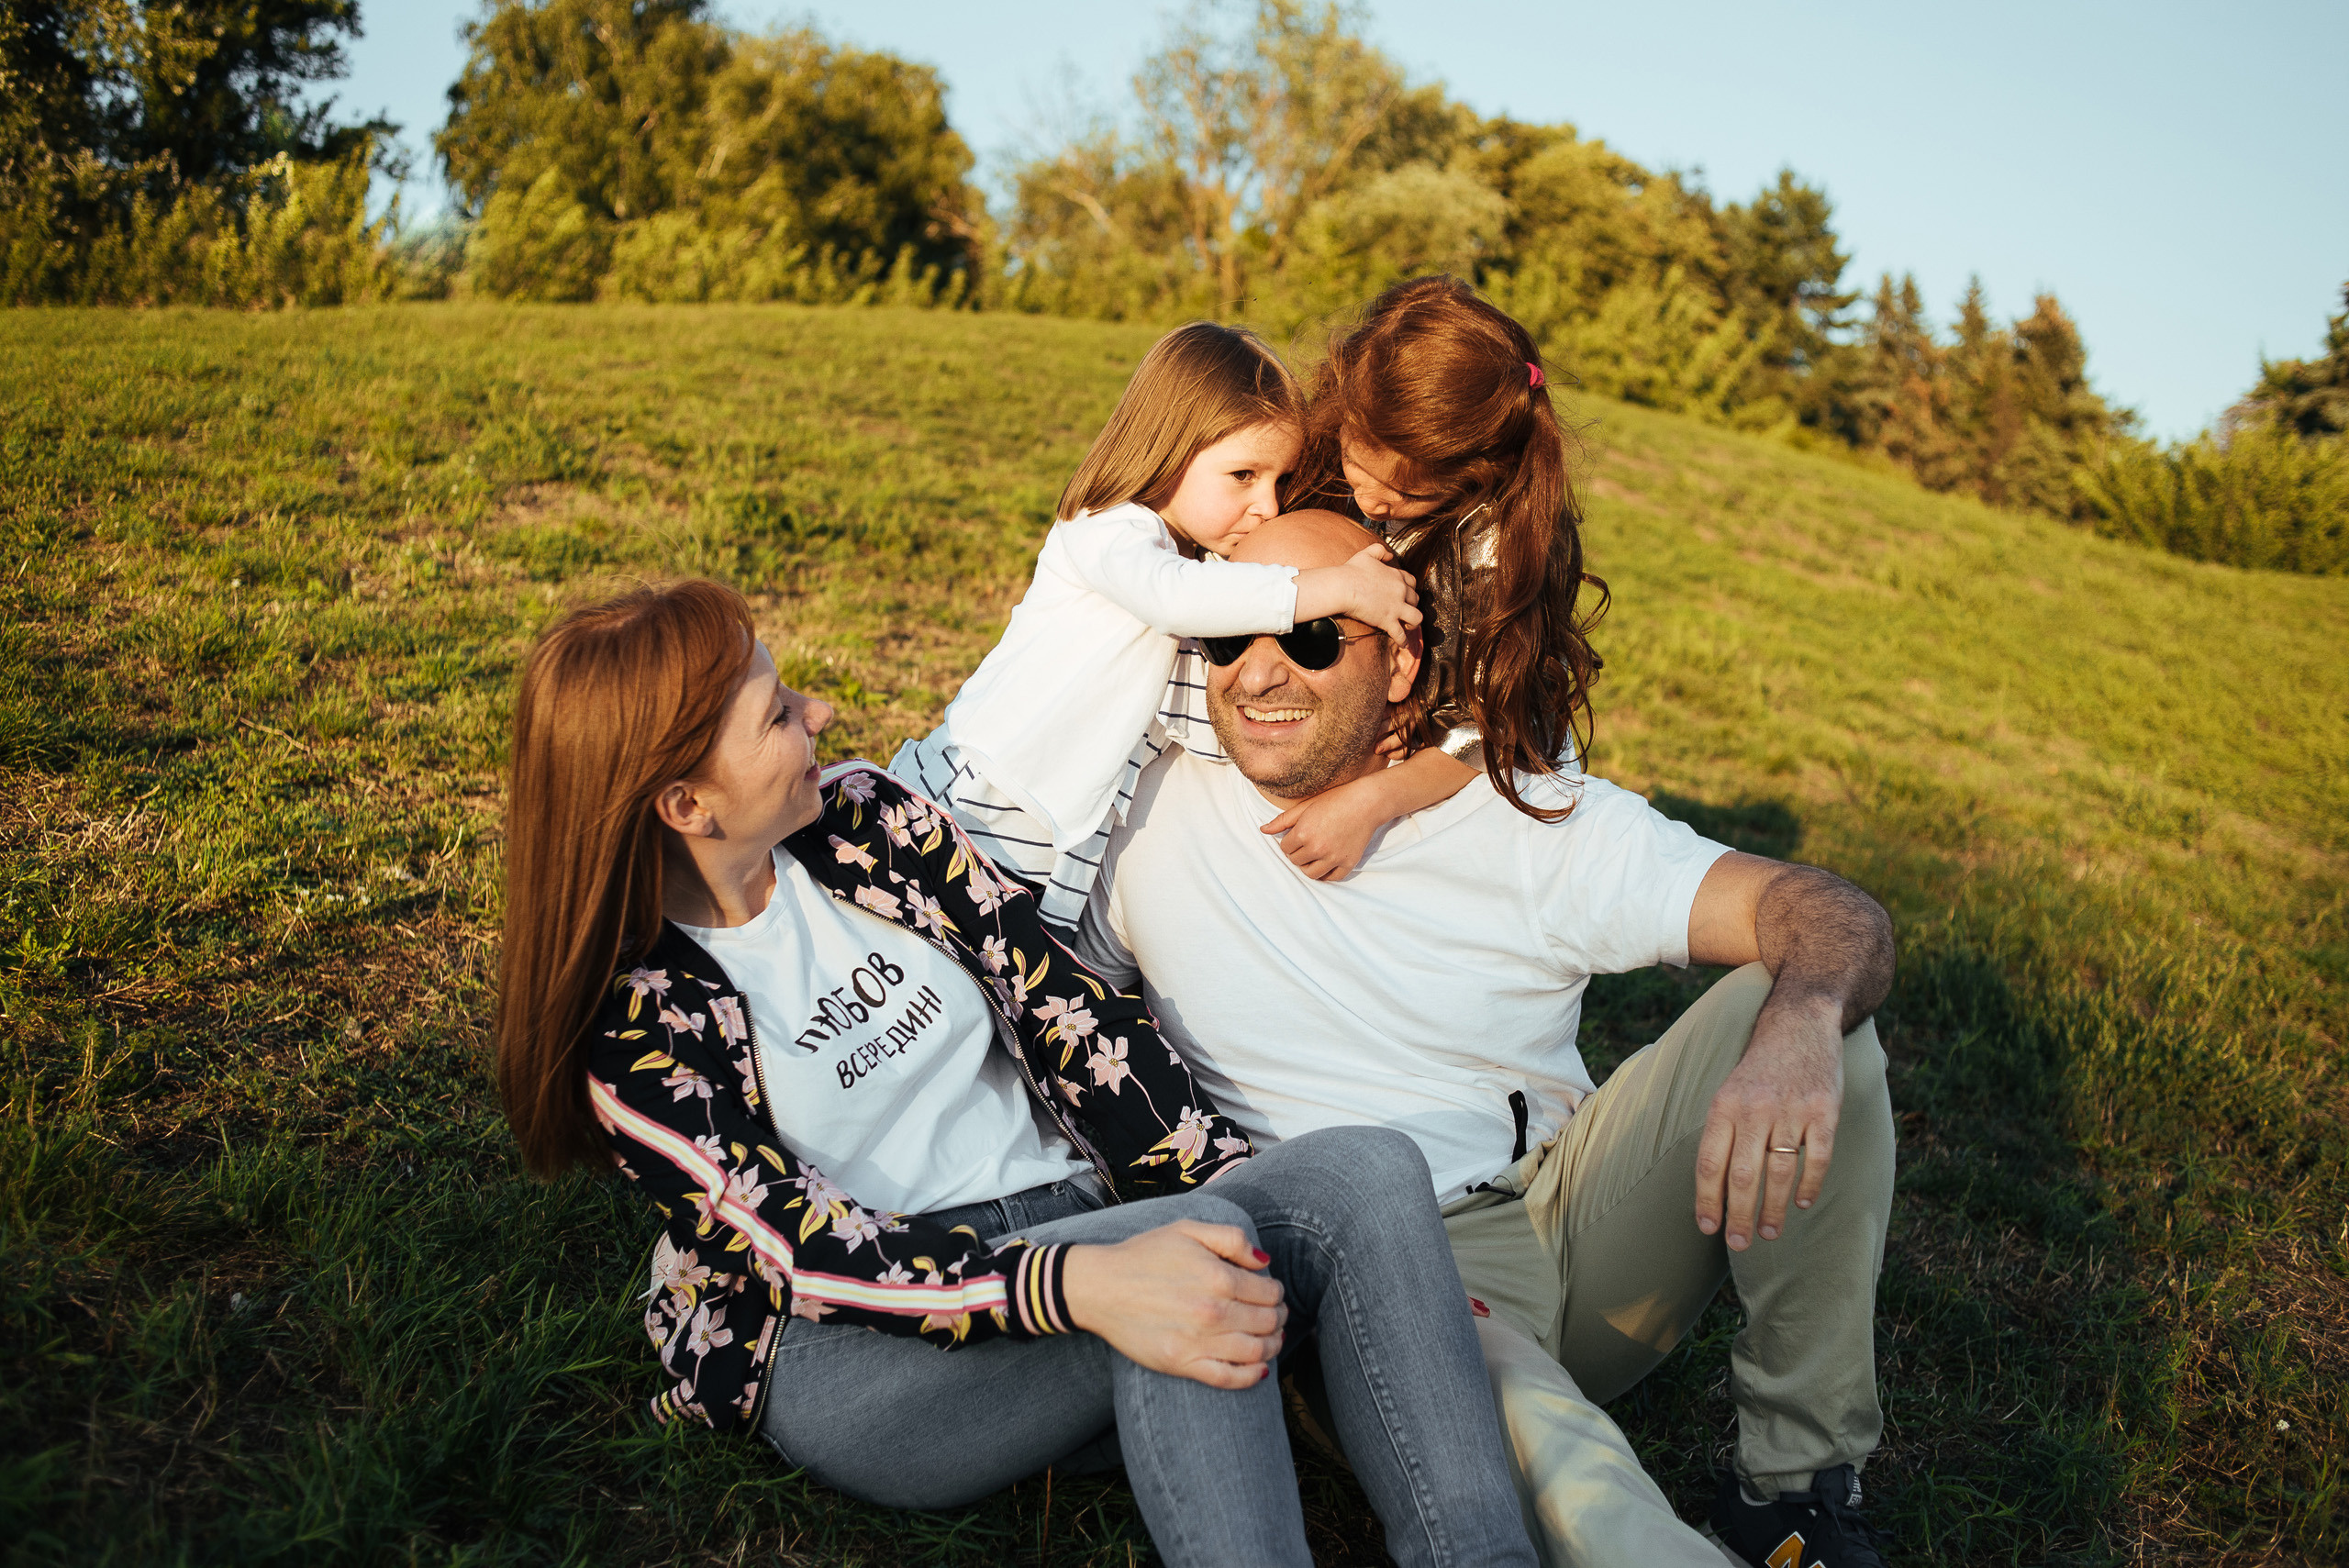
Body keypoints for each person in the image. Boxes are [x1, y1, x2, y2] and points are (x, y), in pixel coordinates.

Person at [492, 577, 1538, 1568]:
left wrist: (1220, 1188)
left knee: (1363, 1171)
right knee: (1188, 1264)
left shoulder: (865, 820)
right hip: (865, 1350)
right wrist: (1078, 1280)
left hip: (1083, 1219)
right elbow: (805, 1256)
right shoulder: (636, 1025)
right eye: (776, 715)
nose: (818, 712)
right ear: (687, 802)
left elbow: (1064, 1008)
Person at [1073, 511, 1901, 1568]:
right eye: (1230, 633)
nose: (1258, 673)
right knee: (1561, 1453)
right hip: (1373, 1262)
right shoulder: (1144, 813)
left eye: (1312, 635)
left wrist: (1801, 1021)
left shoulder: (1517, 807)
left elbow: (1824, 913)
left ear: (1401, 656)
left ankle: (1795, 1490)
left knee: (1806, 1009)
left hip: (1576, 1206)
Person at [890, 320, 1421, 927]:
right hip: (969, 801)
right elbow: (1175, 599)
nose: (1268, 505)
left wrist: (1369, 734)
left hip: (1055, 848)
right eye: (1244, 476)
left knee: (988, 975)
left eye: (1280, 481)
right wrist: (1338, 587)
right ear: (1168, 450)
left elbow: (1206, 712)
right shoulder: (1106, 529)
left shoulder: (1201, 574)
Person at [1262, 273, 1609, 883]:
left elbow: (1498, 726)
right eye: (1356, 463)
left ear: (1478, 474)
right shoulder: (1337, 443)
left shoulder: (1502, 548)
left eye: (1406, 494)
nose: (1369, 499)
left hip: (1479, 767)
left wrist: (1371, 802)